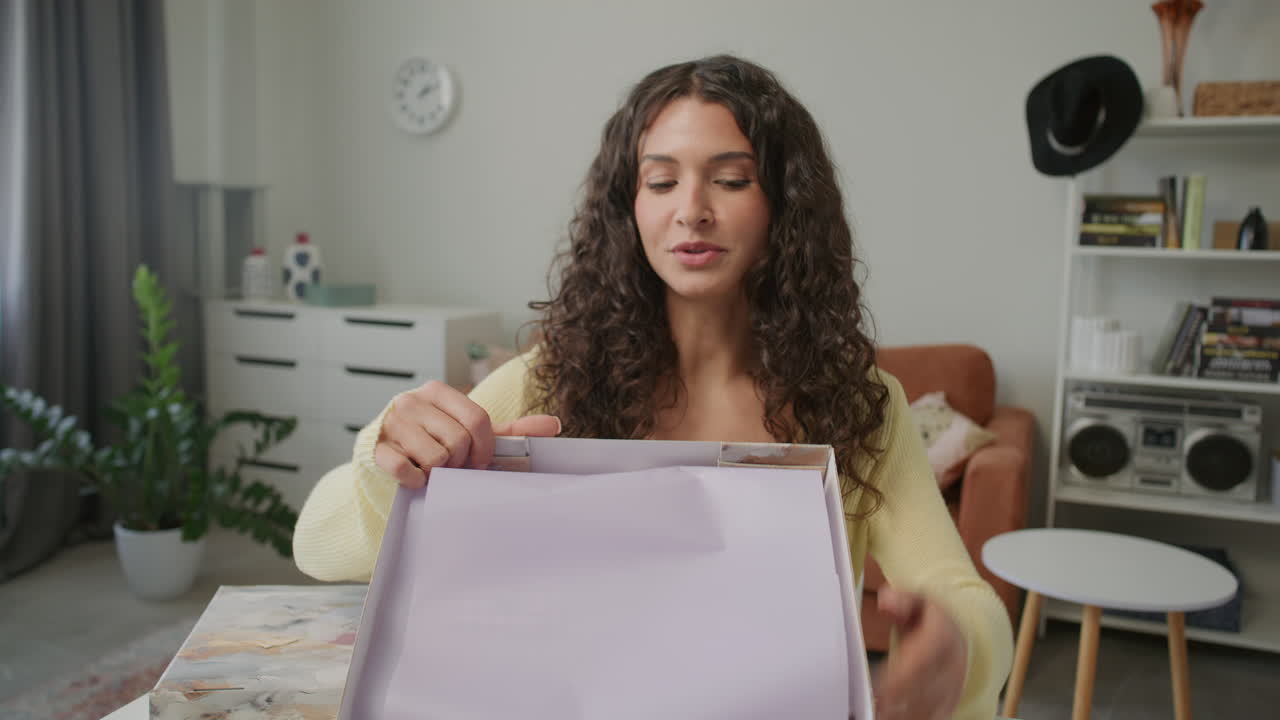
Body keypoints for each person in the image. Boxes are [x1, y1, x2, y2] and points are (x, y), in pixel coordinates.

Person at [294, 54, 1013, 720]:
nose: (691, 209)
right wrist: (395, 455)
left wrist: (958, 646)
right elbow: (317, 547)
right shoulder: (552, 378)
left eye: (731, 180)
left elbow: (964, 598)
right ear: (627, 206)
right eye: (662, 181)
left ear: (786, 206)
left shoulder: (860, 403)